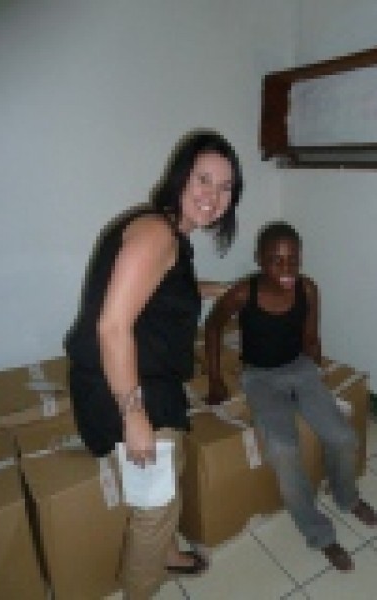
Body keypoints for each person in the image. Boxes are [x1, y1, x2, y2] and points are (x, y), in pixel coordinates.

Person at [64, 129, 243, 598]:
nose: (214, 196)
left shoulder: (168, 233)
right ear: (180, 177)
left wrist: (218, 290)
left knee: (171, 464)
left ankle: (167, 551)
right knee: (155, 504)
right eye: (204, 179)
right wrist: (134, 414)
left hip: (147, 378)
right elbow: (112, 328)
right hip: (120, 389)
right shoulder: (157, 234)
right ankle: (142, 584)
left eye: (226, 187)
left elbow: (163, 289)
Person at [204, 221, 377, 572]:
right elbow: (212, 326)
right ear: (259, 259)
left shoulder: (307, 289)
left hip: (299, 368)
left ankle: (347, 497)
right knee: (283, 450)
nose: (286, 270)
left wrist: (318, 375)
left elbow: (311, 336)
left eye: (293, 260)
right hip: (260, 377)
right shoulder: (242, 293)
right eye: (275, 260)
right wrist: (215, 380)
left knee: (343, 437)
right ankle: (319, 534)